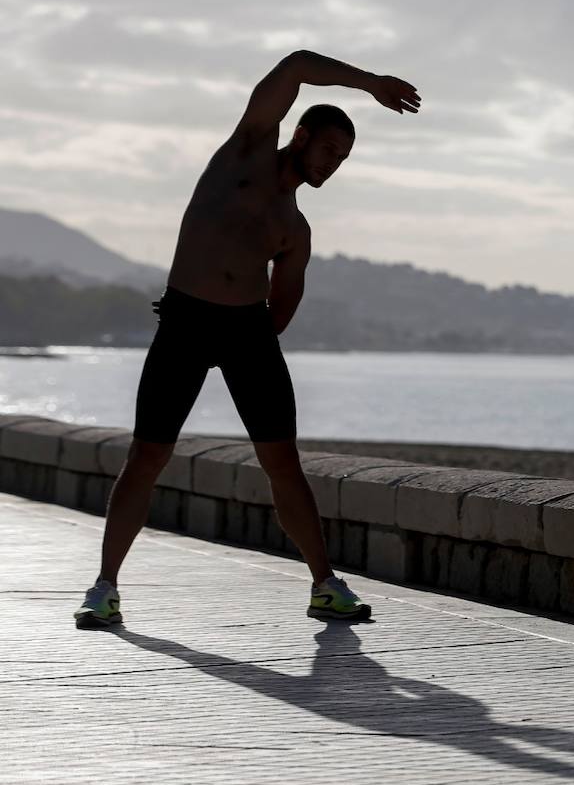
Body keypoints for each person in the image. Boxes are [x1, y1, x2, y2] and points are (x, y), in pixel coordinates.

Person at [74, 51, 421, 629]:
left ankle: (324, 585)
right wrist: (368, 83)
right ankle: (104, 587)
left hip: (246, 333)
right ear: (302, 136)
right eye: (330, 151)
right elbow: (297, 63)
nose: (334, 165)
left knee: (282, 461)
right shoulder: (248, 147)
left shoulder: (295, 228)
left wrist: (251, 341)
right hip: (185, 321)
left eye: (344, 159)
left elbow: (280, 309)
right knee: (147, 456)